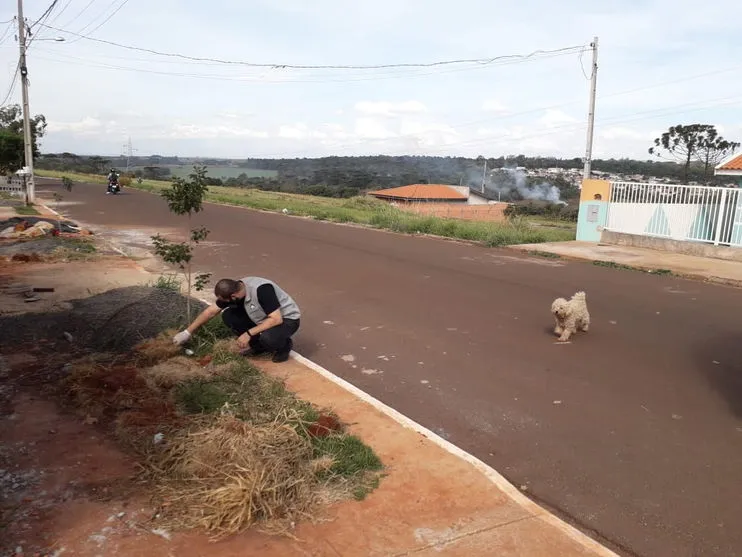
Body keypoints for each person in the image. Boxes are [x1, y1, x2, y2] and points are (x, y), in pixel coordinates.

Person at [173, 277, 301, 363]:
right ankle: (258, 346)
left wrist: (248, 334)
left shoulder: (262, 290)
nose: (223, 303)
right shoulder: (236, 289)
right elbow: (210, 312)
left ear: (233, 296)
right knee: (228, 315)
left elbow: (276, 319)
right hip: (261, 317)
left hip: (287, 319)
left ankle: (284, 346)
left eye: (225, 300)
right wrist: (187, 332)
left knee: (269, 338)